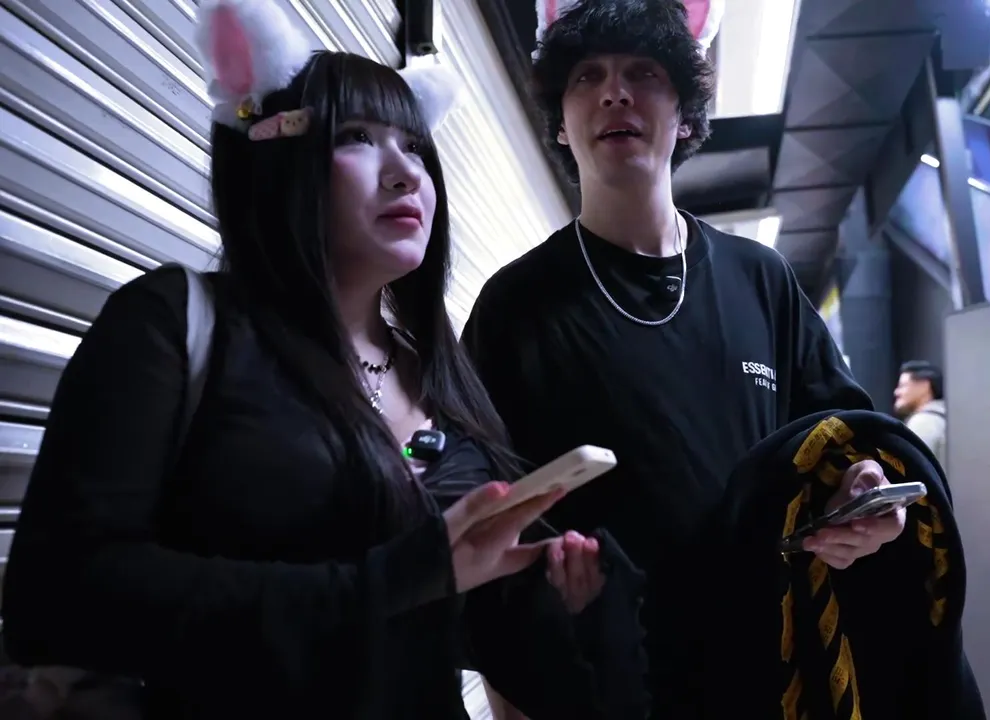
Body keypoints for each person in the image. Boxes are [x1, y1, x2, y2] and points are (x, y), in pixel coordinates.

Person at [0, 1, 647, 718]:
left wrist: (565, 601)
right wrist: (391, 580)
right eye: (357, 137)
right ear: (275, 154)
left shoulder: (439, 372)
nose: (406, 174)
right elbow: (57, 597)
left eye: (415, 147)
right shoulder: (173, 322)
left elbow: (469, 632)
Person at [461, 1, 907, 715]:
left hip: (768, 670)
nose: (615, 92)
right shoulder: (514, 307)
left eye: (643, 73)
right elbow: (480, 522)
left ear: (687, 115)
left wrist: (863, 493)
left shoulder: (760, 279)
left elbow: (843, 437)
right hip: (608, 686)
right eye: (587, 76)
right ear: (561, 121)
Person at [893, 360, 948, 473]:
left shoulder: (923, 422)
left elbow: (912, 471)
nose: (896, 392)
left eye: (902, 386)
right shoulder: (942, 420)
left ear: (924, 386)